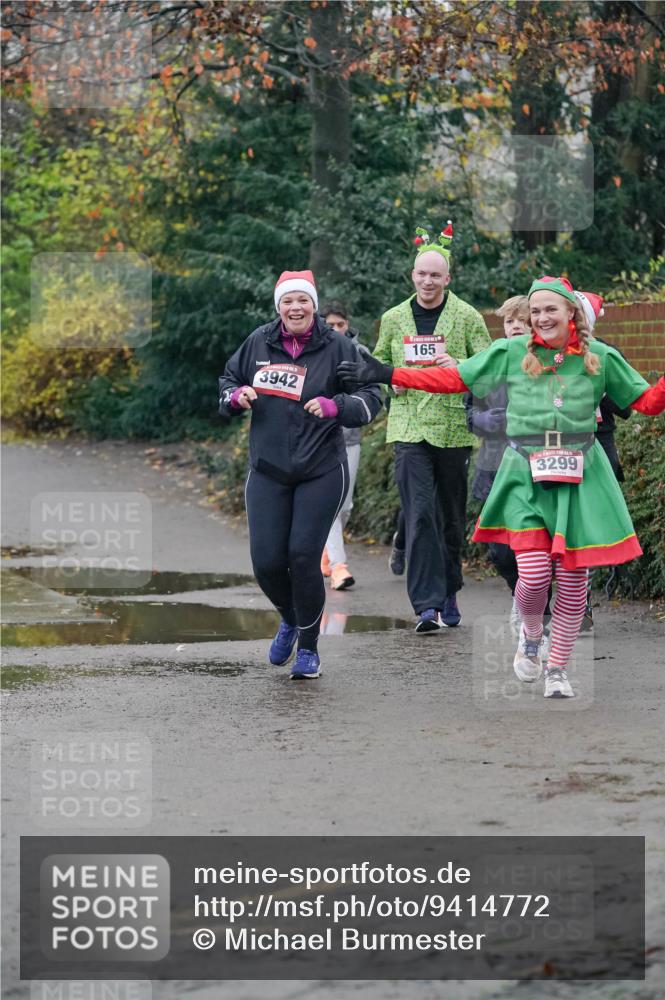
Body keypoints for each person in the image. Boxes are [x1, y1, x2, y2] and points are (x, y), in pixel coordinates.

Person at [338, 274, 665, 699]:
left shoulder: (600, 356)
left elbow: (647, 402)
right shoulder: (511, 352)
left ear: (571, 312)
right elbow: (455, 379)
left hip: (582, 474)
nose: (542, 317)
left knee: (572, 582)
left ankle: (557, 668)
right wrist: (387, 372)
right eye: (536, 310)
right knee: (533, 575)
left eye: (551, 309)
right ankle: (531, 634)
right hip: (525, 473)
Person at [219, 270, 381, 679]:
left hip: (321, 468)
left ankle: (308, 649)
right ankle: (291, 620)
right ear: (279, 307)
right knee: (267, 562)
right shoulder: (259, 342)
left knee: (304, 556)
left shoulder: (338, 346)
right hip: (268, 469)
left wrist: (336, 407)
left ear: (314, 305)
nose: (295, 308)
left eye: (303, 300)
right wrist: (236, 396)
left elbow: (370, 397)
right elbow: (228, 380)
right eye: (288, 301)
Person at [373, 222, 492, 632]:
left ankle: (449, 588)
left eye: (435, 275)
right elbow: (378, 364)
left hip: (451, 427)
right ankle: (426, 605)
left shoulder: (468, 317)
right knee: (420, 513)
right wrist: (391, 382)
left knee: (450, 517)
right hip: (409, 427)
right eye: (421, 274)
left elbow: (490, 367)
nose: (427, 281)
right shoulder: (393, 318)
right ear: (412, 275)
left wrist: (461, 366)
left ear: (447, 279)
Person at [319, 301, 370, 591]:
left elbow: (372, 389)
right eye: (330, 325)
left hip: (350, 438)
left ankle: (327, 552)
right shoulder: (313, 352)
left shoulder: (359, 352)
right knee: (333, 504)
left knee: (346, 506)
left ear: (347, 325)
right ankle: (339, 566)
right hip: (320, 439)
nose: (336, 329)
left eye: (341, 324)